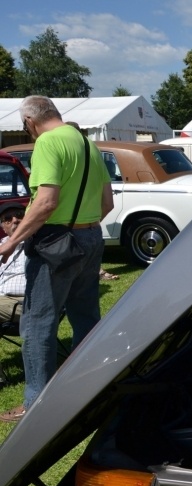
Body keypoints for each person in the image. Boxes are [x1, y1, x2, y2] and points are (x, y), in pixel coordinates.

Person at [0, 95, 113, 423]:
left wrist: (11, 243)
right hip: (91, 237)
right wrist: (83, 226)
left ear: (30, 122)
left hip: (56, 243)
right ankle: (87, 390)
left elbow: (46, 202)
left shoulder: (48, 142)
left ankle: (36, 404)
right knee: (86, 318)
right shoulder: (87, 144)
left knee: (37, 323)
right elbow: (107, 202)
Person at [65, 121, 119, 282]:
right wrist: (93, 222)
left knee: (67, 285)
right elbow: (109, 204)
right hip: (93, 230)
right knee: (87, 288)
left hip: (70, 230)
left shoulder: (64, 160)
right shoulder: (95, 156)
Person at [0, 203, 27, 323]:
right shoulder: (1, 246)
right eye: (8, 219)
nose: (15, 220)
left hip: (25, 302)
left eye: (19, 215)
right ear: (3, 228)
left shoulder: (40, 245)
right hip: (3, 299)